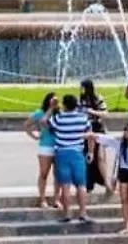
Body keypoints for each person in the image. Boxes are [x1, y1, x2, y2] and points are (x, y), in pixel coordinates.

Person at [47, 93, 92, 223]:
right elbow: (89, 135)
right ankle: (83, 212)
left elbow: (44, 123)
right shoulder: (83, 118)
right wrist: (90, 152)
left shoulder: (58, 118)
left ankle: (67, 214)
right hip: (77, 153)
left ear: (65, 105)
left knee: (65, 186)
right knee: (81, 185)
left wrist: (52, 107)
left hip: (62, 153)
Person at [25, 92, 59, 209]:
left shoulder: (59, 114)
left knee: (58, 174)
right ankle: (42, 199)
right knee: (44, 173)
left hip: (59, 145)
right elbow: (27, 125)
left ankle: (56, 199)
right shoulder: (40, 113)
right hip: (45, 146)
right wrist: (35, 136)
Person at [79, 77, 110, 195]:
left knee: (101, 157)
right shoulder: (80, 100)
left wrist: (92, 112)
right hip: (85, 129)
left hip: (98, 129)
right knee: (88, 157)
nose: (81, 90)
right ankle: (89, 184)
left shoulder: (98, 98)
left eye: (82, 87)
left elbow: (105, 113)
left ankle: (106, 182)